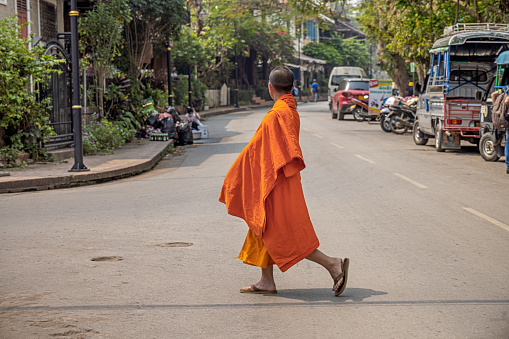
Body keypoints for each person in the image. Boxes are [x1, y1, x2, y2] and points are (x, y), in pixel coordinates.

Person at [219, 66, 349, 296]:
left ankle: (332, 263)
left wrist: (236, 176)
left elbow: (255, 151)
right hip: (279, 179)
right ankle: (266, 280)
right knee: (261, 226)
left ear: (270, 88)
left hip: (276, 182)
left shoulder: (276, 116)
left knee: (285, 233)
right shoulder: (288, 110)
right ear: (292, 88)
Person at [491, 89, 509, 174]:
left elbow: (493, 95)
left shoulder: (505, 88)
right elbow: (507, 100)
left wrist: (496, 108)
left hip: (507, 118)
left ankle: (508, 166)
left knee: (508, 142)